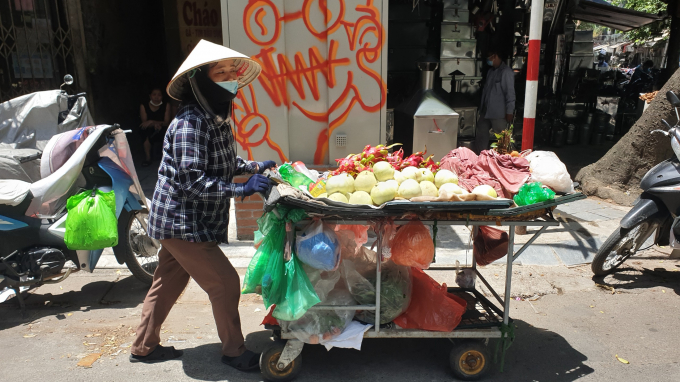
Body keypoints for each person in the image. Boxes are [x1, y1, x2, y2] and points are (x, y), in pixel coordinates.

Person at [129, 40, 276, 371]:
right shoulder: (190, 123)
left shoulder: (216, 116)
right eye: (218, 72)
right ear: (201, 81)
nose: (228, 77)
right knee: (224, 282)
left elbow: (220, 160)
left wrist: (252, 167)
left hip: (183, 220)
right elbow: (193, 182)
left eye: (230, 72)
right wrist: (242, 190)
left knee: (167, 282)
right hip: (182, 222)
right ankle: (234, 351)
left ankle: (143, 346)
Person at [473, 48, 515, 154]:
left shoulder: (506, 72)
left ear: (495, 56)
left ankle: (507, 160)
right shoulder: (491, 72)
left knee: (502, 140)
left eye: (489, 56)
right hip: (486, 111)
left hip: (499, 113)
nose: (488, 59)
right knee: (481, 135)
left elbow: (510, 93)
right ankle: (481, 157)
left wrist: (510, 111)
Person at [139, 87, 171, 166]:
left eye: (159, 95)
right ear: (150, 96)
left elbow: (167, 122)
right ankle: (148, 158)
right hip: (150, 128)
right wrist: (154, 124)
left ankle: (167, 158)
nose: (156, 97)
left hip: (162, 128)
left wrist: (152, 121)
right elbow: (144, 123)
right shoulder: (144, 106)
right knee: (144, 131)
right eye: (154, 95)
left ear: (162, 96)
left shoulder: (166, 105)